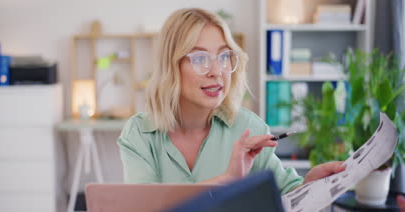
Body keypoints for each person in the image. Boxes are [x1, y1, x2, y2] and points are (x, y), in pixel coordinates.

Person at [117, 8, 344, 194]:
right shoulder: (139, 133)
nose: (217, 71)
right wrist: (226, 180)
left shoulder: (249, 128)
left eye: (224, 56)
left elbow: (285, 195)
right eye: (200, 59)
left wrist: (308, 186)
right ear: (171, 66)